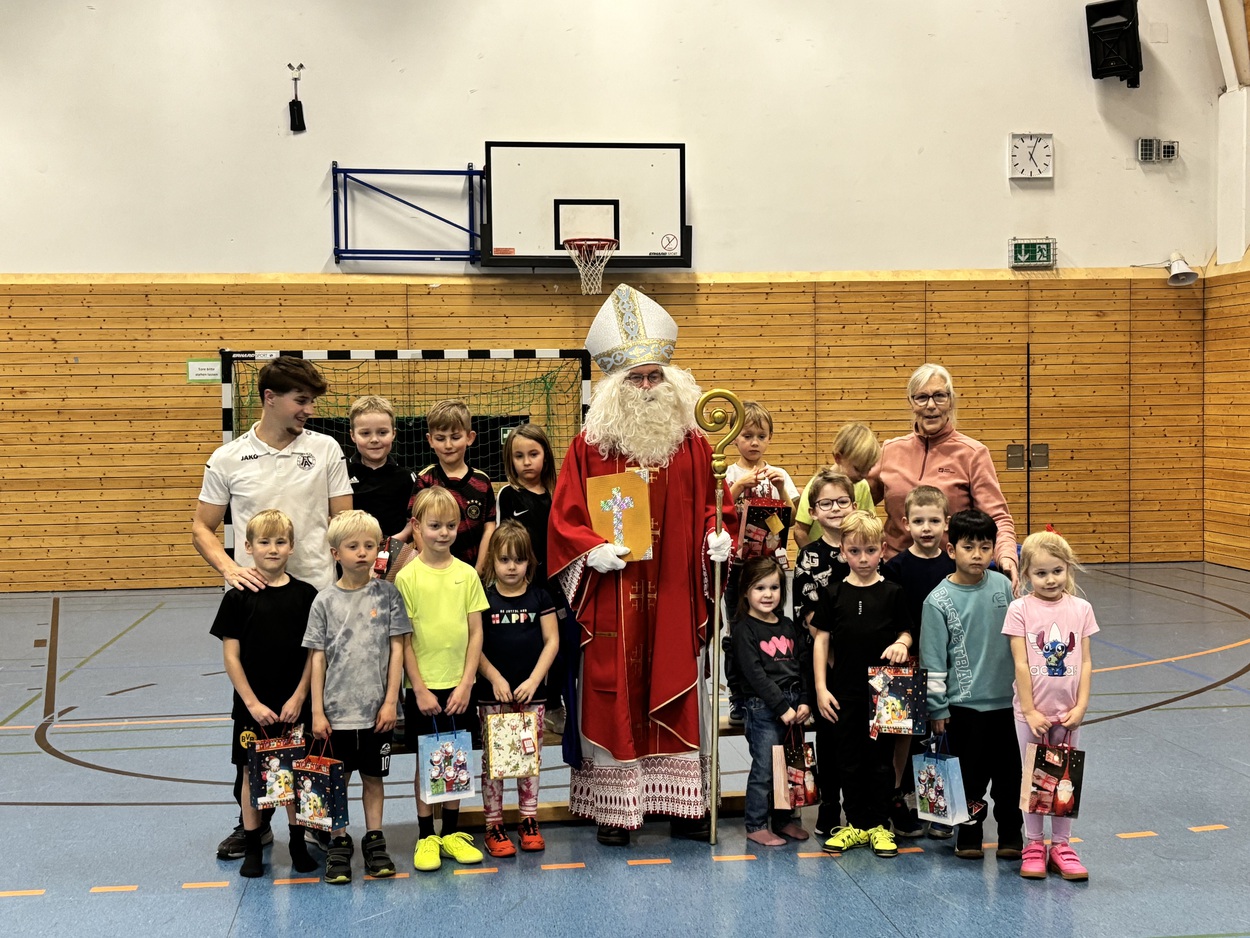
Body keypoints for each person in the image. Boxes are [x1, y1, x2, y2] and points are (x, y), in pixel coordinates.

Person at [548, 283, 735, 846]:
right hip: (615, 588)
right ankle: (615, 808)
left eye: (656, 376)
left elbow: (710, 507)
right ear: (615, 385)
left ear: (672, 380)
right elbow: (564, 515)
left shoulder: (694, 444)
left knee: (675, 676)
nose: (648, 387)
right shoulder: (591, 444)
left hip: (675, 585)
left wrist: (715, 539)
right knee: (614, 685)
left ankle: (682, 807)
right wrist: (588, 548)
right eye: (636, 378)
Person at [193, 354, 353, 860]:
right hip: (258, 610)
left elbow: (343, 523)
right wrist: (227, 567)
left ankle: (316, 818)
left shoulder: (325, 449)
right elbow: (202, 526)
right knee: (254, 714)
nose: (308, 409)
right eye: (301, 400)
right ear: (269, 398)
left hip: (316, 603)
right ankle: (254, 823)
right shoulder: (227, 458)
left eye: (310, 401)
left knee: (314, 715)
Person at [208, 509, 319, 879]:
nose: (273, 549)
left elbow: (313, 655)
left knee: (295, 774)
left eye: (280, 542)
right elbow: (231, 656)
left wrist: (300, 696)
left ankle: (299, 843)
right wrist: (252, 703)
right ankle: (253, 845)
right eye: (264, 542)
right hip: (253, 710)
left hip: (292, 708)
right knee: (251, 775)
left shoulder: (306, 596)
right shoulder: (237, 597)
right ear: (248, 547)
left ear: (292, 547)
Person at [302, 510, 409, 885]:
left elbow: (398, 650)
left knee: (374, 779)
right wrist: (316, 710)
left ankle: (375, 841)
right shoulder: (324, 602)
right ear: (335, 553)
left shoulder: (389, 595)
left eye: (369, 545)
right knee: (337, 780)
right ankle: (338, 841)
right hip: (334, 714)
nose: (362, 553)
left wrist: (391, 701)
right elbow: (317, 658)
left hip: (376, 712)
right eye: (353, 546)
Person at [919, 509, 1023, 861]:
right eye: (968, 547)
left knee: (1010, 778)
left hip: (1008, 706)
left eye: (985, 546)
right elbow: (933, 660)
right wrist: (937, 707)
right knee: (970, 779)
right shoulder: (937, 601)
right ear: (951, 551)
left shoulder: (1004, 588)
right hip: (965, 708)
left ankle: (1012, 834)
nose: (977, 554)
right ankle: (970, 833)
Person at [395, 487, 490, 872]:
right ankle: (425, 837)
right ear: (416, 527)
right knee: (426, 760)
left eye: (451, 525)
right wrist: (417, 687)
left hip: (460, 686)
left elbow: (476, 633)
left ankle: (451, 833)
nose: (443, 533)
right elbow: (403, 639)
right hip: (423, 689)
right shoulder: (407, 577)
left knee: (457, 758)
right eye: (434, 526)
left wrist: (467, 682)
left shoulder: (467, 574)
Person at [812, 510, 910, 859]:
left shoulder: (894, 592)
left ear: (882, 549)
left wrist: (902, 643)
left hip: (888, 689)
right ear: (842, 551)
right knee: (848, 759)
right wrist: (822, 688)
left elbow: (907, 631)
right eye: (855, 551)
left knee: (881, 759)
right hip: (845, 690)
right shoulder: (833, 593)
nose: (863, 558)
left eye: (870, 550)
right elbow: (821, 641)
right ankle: (854, 823)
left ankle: (879, 825)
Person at [868, 363, 1018, 589]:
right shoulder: (890, 449)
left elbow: (998, 518)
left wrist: (1006, 555)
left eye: (939, 396)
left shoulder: (972, 453)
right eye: (921, 397)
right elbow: (856, 497)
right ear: (911, 402)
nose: (931, 406)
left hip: (952, 574)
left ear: (951, 401)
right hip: (896, 573)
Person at [1003, 531, 1097, 881]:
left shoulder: (1081, 609)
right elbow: (1021, 663)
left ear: (1067, 569)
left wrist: (1082, 706)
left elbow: (1085, 662)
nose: (1050, 579)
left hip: (1068, 713)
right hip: (1032, 713)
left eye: (1057, 571)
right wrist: (1029, 710)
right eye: (1040, 573)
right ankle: (1033, 845)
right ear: (1026, 574)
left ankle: (1062, 845)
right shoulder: (1020, 609)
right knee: (1035, 780)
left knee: (1064, 779)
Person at [475, 521, 560, 858]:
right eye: (505, 560)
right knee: (494, 762)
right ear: (493, 561)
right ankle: (493, 825)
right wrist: (495, 677)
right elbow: (474, 645)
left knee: (528, 759)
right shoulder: (483, 598)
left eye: (519, 560)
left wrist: (534, 680)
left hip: (530, 696)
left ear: (530, 562)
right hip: (492, 696)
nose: (512, 567)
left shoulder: (540, 597)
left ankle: (528, 820)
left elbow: (552, 641)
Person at [881, 484, 955, 838]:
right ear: (905, 523)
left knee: (939, 733)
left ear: (946, 524)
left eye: (934, 521)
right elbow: (893, 617)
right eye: (919, 521)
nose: (927, 528)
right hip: (905, 662)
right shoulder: (895, 568)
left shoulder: (953, 567)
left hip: (943, 663)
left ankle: (938, 804)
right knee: (902, 736)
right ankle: (898, 797)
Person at [722, 400, 799, 725]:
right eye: (747, 435)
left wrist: (781, 488)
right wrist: (738, 487)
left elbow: (791, 520)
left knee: (773, 627)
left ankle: (778, 691)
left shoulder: (778, 474)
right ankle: (739, 697)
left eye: (761, 436)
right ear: (734, 438)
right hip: (737, 567)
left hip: (769, 564)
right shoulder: (727, 473)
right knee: (739, 630)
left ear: (769, 439)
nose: (754, 442)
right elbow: (717, 514)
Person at [791, 468, 854, 836]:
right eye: (826, 503)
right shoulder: (810, 557)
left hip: (864, 661)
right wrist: (833, 659)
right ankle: (830, 804)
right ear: (813, 511)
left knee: (863, 739)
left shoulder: (866, 548)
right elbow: (810, 616)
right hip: (826, 662)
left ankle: (867, 803)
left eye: (842, 501)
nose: (835, 509)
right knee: (830, 739)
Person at [731, 557, 812, 846]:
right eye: (759, 587)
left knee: (789, 768)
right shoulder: (744, 630)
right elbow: (754, 675)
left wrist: (803, 700)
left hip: (793, 705)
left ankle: (784, 820)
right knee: (765, 768)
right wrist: (782, 708)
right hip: (763, 707)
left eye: (774, 587)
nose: (768, 594)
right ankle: (755, 824)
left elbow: (802, 666)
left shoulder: (789, 625)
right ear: (745, 592)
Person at [495, 423, 569, 736]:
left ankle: (555, 703)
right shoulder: (509, 495)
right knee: (527, 646)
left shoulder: (559, 494)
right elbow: (504, 540)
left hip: (558, 586)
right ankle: (516, 701)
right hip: (524, 587)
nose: (527, 462)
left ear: (546, 457)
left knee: (560, 647)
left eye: (534, 454)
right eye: (519, 456)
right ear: (509, 461)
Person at [411, 399, 496, 578]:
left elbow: (489, 527)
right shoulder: (425, 479)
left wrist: (479, 568)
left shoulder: (482, 481)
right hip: (435, 572)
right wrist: (430, 565)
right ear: (430, 440)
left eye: (455, 437)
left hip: (473, 572)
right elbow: (416, 526)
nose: (448, 445)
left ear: (469, 437)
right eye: (440, 438)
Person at [794, 423, 880, 550]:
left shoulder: (862, 486)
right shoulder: (816, 486)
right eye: (857, 468)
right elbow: (800, 532)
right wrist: (815, 559)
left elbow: (870, 526)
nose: (864, 475)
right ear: (838, 458)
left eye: (868, 469)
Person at [347, 395, 416, 545]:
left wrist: (396, 540)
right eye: (365, 433)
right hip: (354, 554)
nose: (374, 439)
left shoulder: (406, 477)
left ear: (393, 434)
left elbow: (414, 521)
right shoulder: (343, 474)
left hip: (396, 553)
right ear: (353, 435)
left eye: (382, 432)